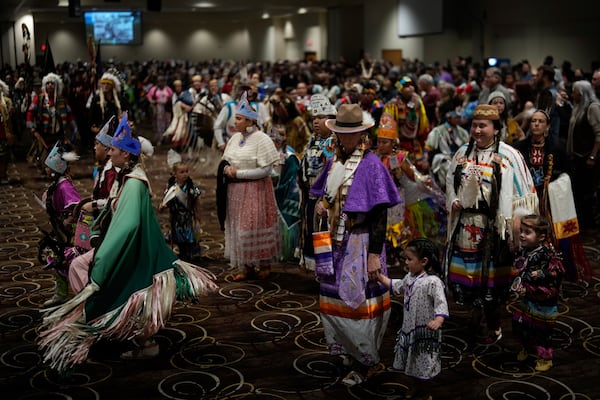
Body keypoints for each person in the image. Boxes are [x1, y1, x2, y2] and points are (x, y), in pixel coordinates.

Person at [38, 112, 218, 372]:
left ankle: (131, 337)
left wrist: (105, 255)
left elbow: (129, 224)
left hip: (133, 252)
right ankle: (109, 328)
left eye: (113, 149)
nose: (109, 153)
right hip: (129, 247)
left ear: (126, 154)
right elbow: (120, 209)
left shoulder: (133, 183)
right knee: (84, 269)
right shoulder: (129, 176)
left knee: (114, 284)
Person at [309, 104, 401, 385]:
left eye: (349, 135)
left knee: (359, 305)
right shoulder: (334, 161)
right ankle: (348, 353)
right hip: (334, 244)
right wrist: (323, 205)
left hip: (360, 244)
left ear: (362, 135)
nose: (342, 139)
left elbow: (379, 213)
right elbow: (325, 194)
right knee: (332, 301)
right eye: (340, 134)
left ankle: (368, 361)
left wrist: (374, 254)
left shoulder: (370, 165)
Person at [445, 104, 538, 346]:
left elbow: (523, 192)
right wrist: (454, 200)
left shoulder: (509, 156)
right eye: (474, 125)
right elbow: (449, 182)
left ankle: (493, 322)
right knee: (469, 278)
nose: (476, 130)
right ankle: (477, 318)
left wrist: (517, 226)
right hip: (466, 225)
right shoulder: (461, 154)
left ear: (496, 129)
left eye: (482, 126)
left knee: (492, 283)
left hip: (494, 229)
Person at [513, 109, 592, 283]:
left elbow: (568, 174)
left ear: (548, 126)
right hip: (529, 199)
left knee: (553, 236)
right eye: (533, 120)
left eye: (541, 121)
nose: (536, 124)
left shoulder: (557, 147)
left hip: (551, 202)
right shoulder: (519, 148)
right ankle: (526, 270)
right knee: (527, 233)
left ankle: (556, 271)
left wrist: (553, 184)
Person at [376, 238, 449, 400]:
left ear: (423, 261)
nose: (406, 262)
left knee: (424, 364)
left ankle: (425, 393)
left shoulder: (433, 282)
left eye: (409, 259)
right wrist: (380, 278)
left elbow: (441, 303)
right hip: (410, 330)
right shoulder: (410, 277)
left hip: (424, 334)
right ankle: (416, 387)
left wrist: (438, 320)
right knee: (413, 363)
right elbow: (397, 285)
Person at [220, 92, 281, 280]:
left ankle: (264, 263)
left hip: (256, 190)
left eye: (238, 119)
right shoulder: (234, 138)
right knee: (240, 228)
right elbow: (226, 160)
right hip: (236, 192)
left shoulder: (262, 139)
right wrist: (227, 169)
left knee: (254, 226)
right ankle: (246, 265)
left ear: (249, 121)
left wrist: (239, 173)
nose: (234, 122)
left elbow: (266, 170)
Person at [511, 214, 565, 372]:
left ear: (541, 237)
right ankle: (527, 348)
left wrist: (539, 275)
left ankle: (545, 357)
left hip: (544, 300)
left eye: (527, 232)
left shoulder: (547, 255)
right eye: (521, 231)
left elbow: (556, 274)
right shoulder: (525, 250)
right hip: (528, 298)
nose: (522, 235)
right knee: (523, 325)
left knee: (542, 331)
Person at [38, 141, 81, 306]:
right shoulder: (57, 185)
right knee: (59, 261)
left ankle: (81, 292)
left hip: (69, 232)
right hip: (60, 230)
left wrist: (66, 222)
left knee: (67, 261)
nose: (46, 169)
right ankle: (61, 293)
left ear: (56, 168)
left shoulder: (64, 187)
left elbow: (76, 208)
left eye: (48, 167)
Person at [298, 94, 337, 271]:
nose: (316, 121)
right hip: (311, 194)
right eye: (314, 118)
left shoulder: (334, 142)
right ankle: (318, 269)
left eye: (321, 117)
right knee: (313, 231)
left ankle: (327, 269)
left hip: (327, 198)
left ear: (331, 119)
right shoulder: (313, 140)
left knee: (325, 232)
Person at [26, 72, 78, 176]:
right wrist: (33, 129)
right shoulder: (39, 99)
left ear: (56, 85)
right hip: (43, 135)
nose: (50, 85)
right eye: (48, 83)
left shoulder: (62, 100)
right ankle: (47, 171)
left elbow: (69, 114)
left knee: (60, 157)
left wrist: (74, 127)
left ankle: (58, 172)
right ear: (45, 85)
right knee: (44, 159)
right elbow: (30, 113)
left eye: (52, 83)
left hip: (59, 134)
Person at [566, 80, 600, 229]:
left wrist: (593, 156)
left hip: (588, 157)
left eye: (574, 91)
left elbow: (599, 134)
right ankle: (583, 222)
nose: (572, 94)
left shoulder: (592, 107)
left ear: (580, 93)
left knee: (588, 192)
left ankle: (590, 223)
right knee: (579, 192)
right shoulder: (578, 107)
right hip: (577, 158)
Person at [159, 160, 203, 262]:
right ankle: (182, 254)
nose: (185, 174)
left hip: (188, 218)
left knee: (191, 238)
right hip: (176, 218)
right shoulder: (172, 188)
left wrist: (198, 213)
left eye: (186, 171)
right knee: (179, 238)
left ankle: (192, 255)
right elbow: (166, 201)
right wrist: (162, 206)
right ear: (175, 174)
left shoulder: (191, 187)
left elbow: (196, 201)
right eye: (182, 172)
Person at [0, 78, 14, 184]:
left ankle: (3, 174)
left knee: (4, 155)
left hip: (2, 132)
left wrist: (8, 131)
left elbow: (8, 118)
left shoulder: (5, 102)